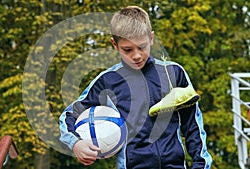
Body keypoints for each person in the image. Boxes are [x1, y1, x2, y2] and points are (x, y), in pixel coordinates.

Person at [59, 5, 212, 169]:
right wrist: (76, 143)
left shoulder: (173, 73)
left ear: (151, 38)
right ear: (115, 45)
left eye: (142, 47)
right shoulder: (107, 81)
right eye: (128, 50)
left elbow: (193, 127)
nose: (137, 55)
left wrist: (200, 165)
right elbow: (69, 115)